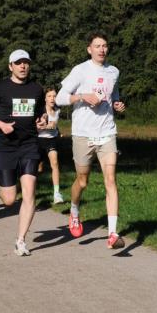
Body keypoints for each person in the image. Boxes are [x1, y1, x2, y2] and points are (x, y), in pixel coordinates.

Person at [56, 32, 126, 249]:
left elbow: (114, 95)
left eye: (105, 45)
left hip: (107, 132)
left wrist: (117, 104)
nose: (102, 49)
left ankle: (113, 233)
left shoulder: (113, 72)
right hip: (83, 134)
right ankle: (74, 211)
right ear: (89, 49)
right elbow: (59, 98)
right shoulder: (80, 70)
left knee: (110, 180)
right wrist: (81, 96)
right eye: (97, 46)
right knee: (83, 181)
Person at [0, 49, 47, 256]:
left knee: (29, 192)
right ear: (10, 66)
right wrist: (1, 125)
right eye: (18, 63)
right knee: (9, 200)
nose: (23, 66)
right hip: (5, 146)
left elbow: (41, 113)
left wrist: (42, 119)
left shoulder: (37, 89)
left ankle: (21, 240)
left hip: (29, 145)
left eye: (26, 62)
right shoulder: (0, 88)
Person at [38, 88, 64, 204]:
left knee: (55, 163)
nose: (52, 98)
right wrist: (46, 126)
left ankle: (57, 194)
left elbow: (54, 124)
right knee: (38, 170)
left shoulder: (58, 110)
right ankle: (20, 187)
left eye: (54, 96)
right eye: (49, 96)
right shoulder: (41, 111)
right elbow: (40, 124)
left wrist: (58, 131)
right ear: (45, 98)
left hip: (51, 140)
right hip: (39, 141)